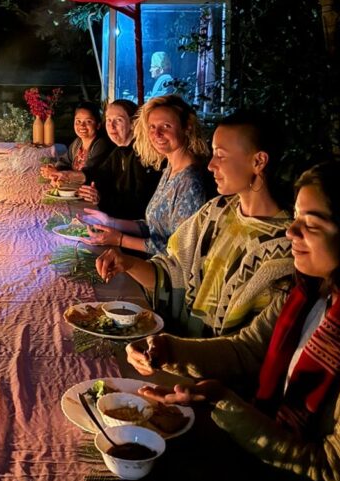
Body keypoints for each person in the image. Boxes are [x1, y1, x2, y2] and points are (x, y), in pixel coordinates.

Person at [127, 160, 340, 481]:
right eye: (296, 217)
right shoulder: (308, 293)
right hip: (252, 458)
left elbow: (338, 468)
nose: (291, 232)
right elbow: (246, 350)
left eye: (311, 224)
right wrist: (166, 349)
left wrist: (223, 401)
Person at [96, 110, 293, 335]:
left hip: (207, 355)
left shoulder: (283, 245)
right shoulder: (215, 211)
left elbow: (249, 343)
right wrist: (127, 263)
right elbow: (172, 273)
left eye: (221, 155)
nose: (211, 165)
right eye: (213, 154)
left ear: (258, 161)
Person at [80, 95, 210, 257]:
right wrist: (110, 222)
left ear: (187, 127)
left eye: (166, 126)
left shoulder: (190, 181)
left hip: (160, 269)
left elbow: (179, 251)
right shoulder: (170, 169)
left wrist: (120, 239)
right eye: (152, 127)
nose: (157, 134)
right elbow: (154, 226)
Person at [50, 100, 159, 219]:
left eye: (118, 120)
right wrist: (66, 176)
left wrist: (101, 198)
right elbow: (100, 174)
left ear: (133, 123)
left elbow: (137, 205)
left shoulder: (142, 155)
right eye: (108, 120)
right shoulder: (118, 151)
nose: (111, 126)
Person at [39, 101, 111, 177]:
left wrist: (58, 173)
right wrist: (55, 169)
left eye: (88, 121)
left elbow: (88, 173)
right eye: (78, 121)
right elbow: (64, 162)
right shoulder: (77, 142)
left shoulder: (101, 144)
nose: (82, 125)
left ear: (98, 125)